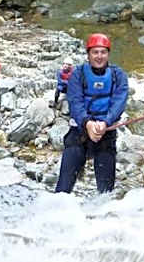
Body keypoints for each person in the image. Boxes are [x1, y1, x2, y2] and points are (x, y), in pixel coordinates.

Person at [54, 33, 129, 194]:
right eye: (95, 52)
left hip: (105, 133)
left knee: (106, 192)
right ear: (88, 54)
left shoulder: (118, 75)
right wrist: (87, 123)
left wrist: (106, 122)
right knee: (63, 189)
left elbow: (119, 102)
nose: (99, 56)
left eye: (103, 52)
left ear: (108, 54)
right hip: (79, 132)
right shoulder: (78, 74)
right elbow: (75, 102)